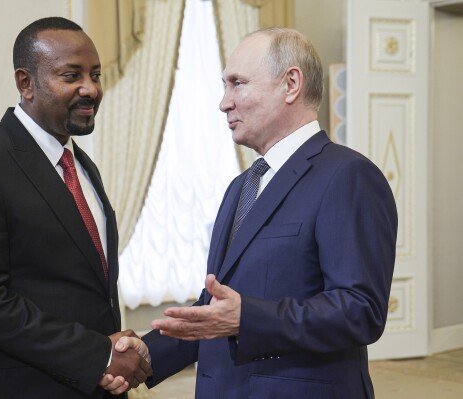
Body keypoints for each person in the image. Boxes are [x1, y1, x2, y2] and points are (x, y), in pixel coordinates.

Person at [107, 27, 398, 398]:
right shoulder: (241, 185)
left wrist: (247, 318)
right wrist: (151, 352)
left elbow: (360, 310)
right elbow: (217, 308)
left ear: (291, 84)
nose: (224, 102)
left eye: (237, 83)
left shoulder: (348, 176)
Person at [0, 17, 151, 399]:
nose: (91, 89)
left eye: (96, 75)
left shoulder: (82, 166)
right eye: (71, 76)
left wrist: (112, 355)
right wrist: (97, 354)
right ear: (25, 83)